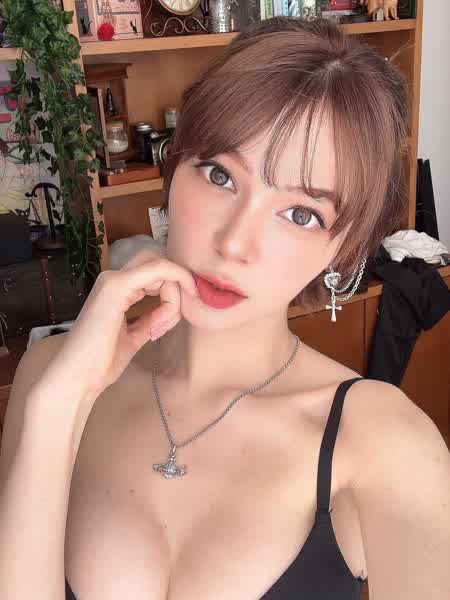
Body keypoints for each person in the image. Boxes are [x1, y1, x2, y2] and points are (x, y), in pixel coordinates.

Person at [0, 16, 449, 600]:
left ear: (341, 248)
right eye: (220, 175)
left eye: (301, 213)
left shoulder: (388, 443)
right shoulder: (51, 376)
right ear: (173, 171)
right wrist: (58, 409)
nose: (235, 243)